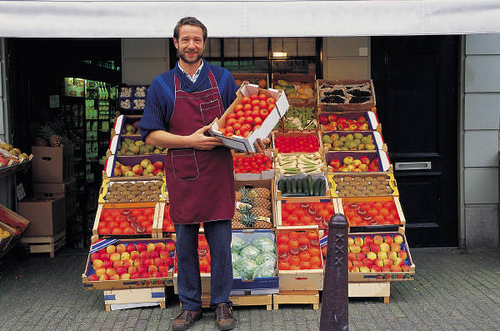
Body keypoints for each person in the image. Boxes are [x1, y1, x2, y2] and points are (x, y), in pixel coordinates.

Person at [138, 17, 266, 331]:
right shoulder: (162, 85)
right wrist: (188, 141)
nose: (191, 45)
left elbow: (237, 123)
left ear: (204, 44)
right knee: (185, 245)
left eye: (197, 40)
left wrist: (252, 139)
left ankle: (223, 303)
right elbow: (150, 135)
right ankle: (190, 306)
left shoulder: (222, 78)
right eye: (185, 40)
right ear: (175, 43)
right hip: (182, 174)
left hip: (216, 172)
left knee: (221, 244)